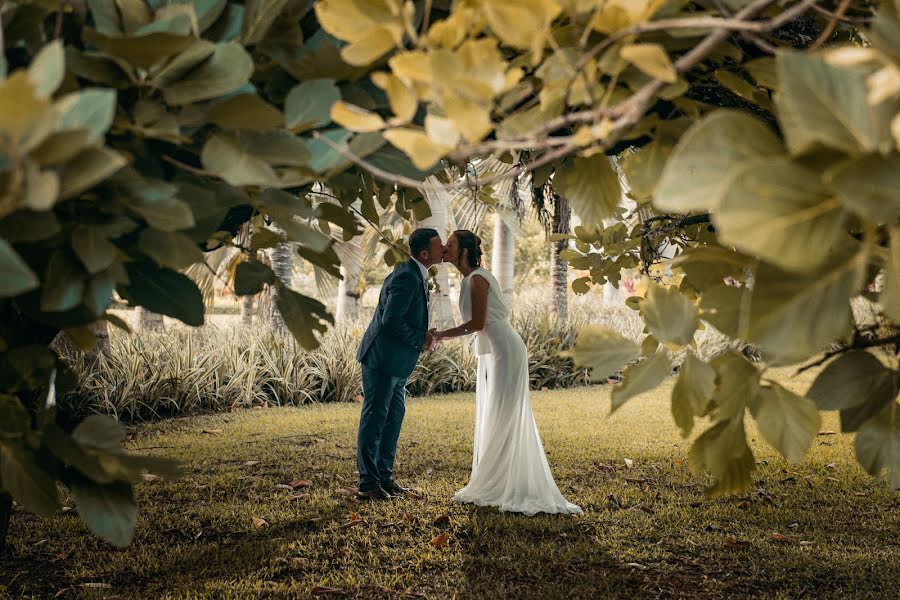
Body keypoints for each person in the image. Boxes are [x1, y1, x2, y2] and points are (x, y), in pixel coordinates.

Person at [433, 230, 582, 515]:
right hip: (495, 351)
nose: (444, 248)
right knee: (498, 412)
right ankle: (500, 478)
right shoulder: (468, 279)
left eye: (450, 244)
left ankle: (507, 483)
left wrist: (440, 335)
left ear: (464, 251)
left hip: (506, 350)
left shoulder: (477, 279)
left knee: (505, 412)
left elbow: (477, 323)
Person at [354, 228, 442, 500]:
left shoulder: (415, 273)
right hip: (382, 359)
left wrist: (421, 337)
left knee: (393, 417)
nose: (444, 250)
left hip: (397, 361)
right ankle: (368, 484)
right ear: (425, 253)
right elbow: (391, 320)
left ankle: (384, 477)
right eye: (440, 246)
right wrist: (422, 338)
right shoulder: (406, 276)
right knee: (375, 418)